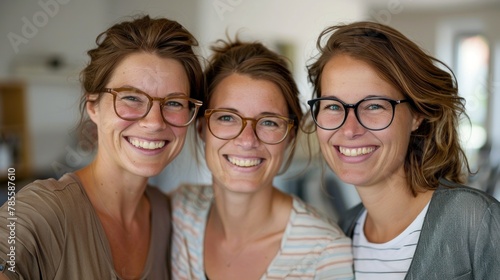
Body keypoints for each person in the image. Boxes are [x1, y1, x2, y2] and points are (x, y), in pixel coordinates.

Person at [0, 15, 203, 279]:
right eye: (131, 98)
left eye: (175, 103)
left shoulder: (170, 217)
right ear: (93, 105)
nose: (154, 122)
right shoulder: (46, 210)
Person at [306, 21, 500, 279]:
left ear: (417, 115)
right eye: (332, 106)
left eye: (374, 106)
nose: (349, 129)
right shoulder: (342, 235)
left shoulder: (474, 220)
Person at [170, 39, 354, 280]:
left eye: (268, 122)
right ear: (202, 127)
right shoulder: (179, 212)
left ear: (290, 136)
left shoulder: (326, 253)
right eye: (227, 118)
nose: (247, 140)